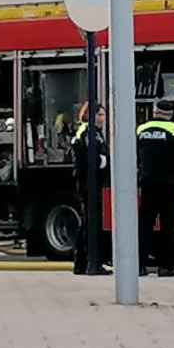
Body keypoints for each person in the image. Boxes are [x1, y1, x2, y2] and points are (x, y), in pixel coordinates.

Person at [136, 100, 174, 276]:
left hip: (147, 184)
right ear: (170, 114)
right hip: (170, 186)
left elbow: (134, 155)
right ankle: (166, 266)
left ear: (154, 112)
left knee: (145, 225)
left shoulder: (141, 130)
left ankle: (139, 265)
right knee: (168, 227)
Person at [70, 103, 110, 275]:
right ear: (89, 116)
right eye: (99, 115)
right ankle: (91, 262)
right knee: (91, 223)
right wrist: (105, 162)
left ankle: (82, 263)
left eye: (103, 115)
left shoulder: (92, 132)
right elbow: (91, 158)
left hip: (91, 182)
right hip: (88, 182)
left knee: (88, 222)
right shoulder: (88, 133)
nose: (103, 118)